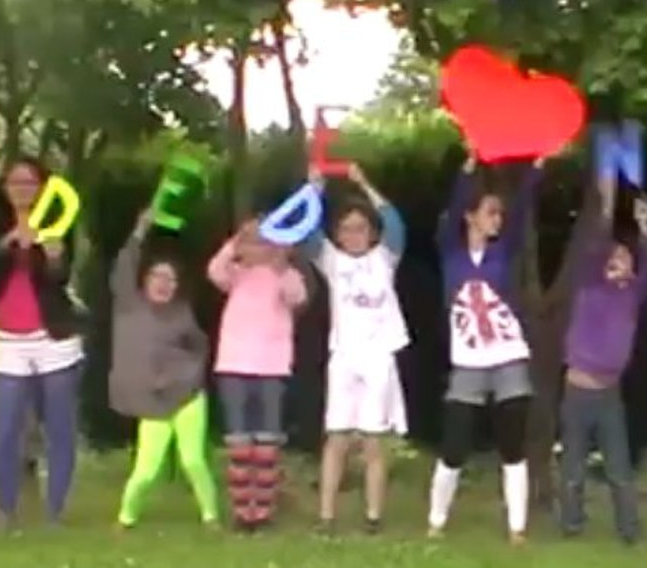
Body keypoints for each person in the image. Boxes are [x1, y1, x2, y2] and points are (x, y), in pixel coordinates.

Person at [0, 158, 83, 531]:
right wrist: (11, 240)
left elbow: (60, 279)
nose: (22, 189)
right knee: (6, 430)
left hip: (54, 339)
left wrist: (53, 258)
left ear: (43, 187)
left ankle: (56, 512)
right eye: (14, 182)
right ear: (3, 187)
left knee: (59, 429)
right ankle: (5, 509)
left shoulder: (57, 223)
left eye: (30, 183)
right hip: (11, 342)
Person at [427, 153, 543, 544]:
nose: (498, 220)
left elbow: (522, 209)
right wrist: (468, 167)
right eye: (490, 212)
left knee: (512, 444)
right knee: (454, 445)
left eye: (499, 214)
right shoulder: (451, 252)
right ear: (470, 216)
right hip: (468, 361)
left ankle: (517, 528)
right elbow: (454, 207)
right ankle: (436, 521)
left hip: (509, 356)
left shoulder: (503, 251)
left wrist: (536, 170)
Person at [302, 163, 410, 536]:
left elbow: (395, 224)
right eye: (346, 229)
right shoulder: (332, 260)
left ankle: (373, 516)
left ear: (370, 232)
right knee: (336, 438)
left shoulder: (384, 258)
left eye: (360, 228)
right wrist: (315, 189)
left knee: (373, 443)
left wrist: (364, 183)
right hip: (344, 358)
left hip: (378, 359)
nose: (353, 235)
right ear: (338, 234)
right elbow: (307, 234)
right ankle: (326, 517)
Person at [558, 174, 647, 544]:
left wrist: (645, 226)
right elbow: (593, 250)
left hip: (609, 394)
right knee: (573, 466)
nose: (621, 260)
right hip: (578, 390)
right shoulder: (589, 285)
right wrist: (604, 207)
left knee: (619, 467)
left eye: (626, 257)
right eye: (614, 257)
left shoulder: (632, 293)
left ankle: (629, 530)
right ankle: (571, 525)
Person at [110, 209, 219, 529]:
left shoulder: (182, 313)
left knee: (193, 460)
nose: (164, 284)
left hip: (187, 398)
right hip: (153, 403)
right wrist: (139, 230)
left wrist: (187, 377)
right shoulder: (130, 306)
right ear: (145, 281)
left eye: (170, 279)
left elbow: (200, 348)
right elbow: (124, 266)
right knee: (146, 470)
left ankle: (211, 517)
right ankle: (125, 519)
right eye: (158, 277)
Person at [207, 217, 309, 531]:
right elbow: (214, 271)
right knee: (239, 443)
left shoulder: (286, 276)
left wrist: (281, 264)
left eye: (265, 242)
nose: (259, 249)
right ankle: (243, 512)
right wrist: (234, 244)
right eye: (252, 242)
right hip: (234, 366)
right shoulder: (236, 274)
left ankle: (262, 512)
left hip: (271, 368)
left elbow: (297, 297)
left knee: (267, 443)